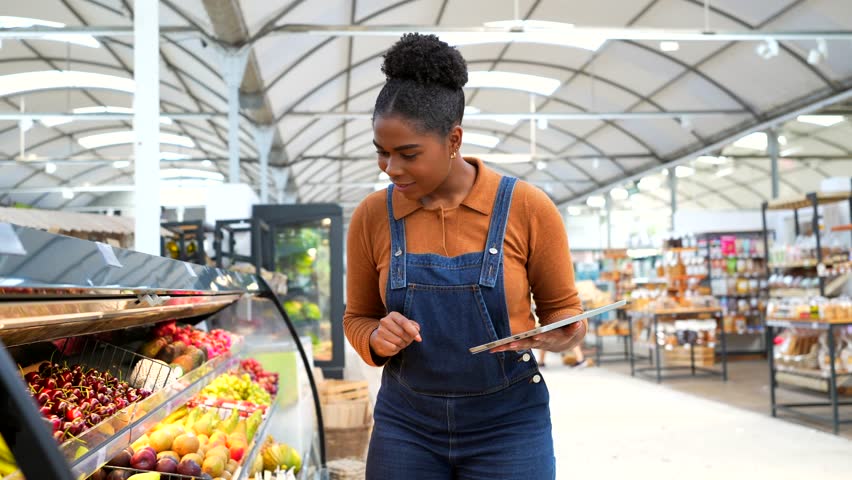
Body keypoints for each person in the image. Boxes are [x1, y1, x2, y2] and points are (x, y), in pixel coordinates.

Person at [343, 33, 585, 479]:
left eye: (408, 154)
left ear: (454, 139)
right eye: (382, 152)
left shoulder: (527, 207)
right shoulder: (372, 216)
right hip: (406, 425)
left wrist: (561, 334)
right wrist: (376, 338)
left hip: (509, 425)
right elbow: (356, 316)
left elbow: (565, 315)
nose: (391, 169)